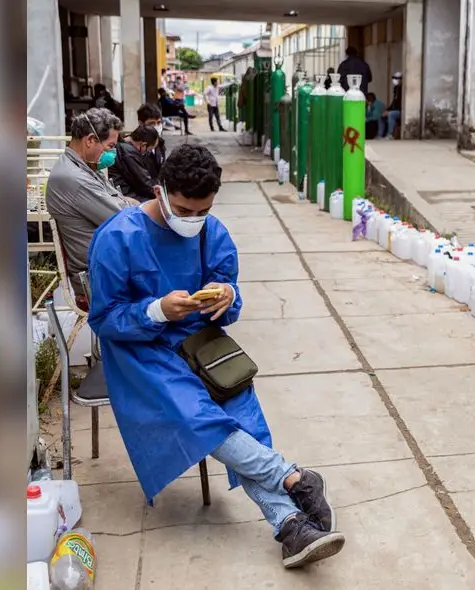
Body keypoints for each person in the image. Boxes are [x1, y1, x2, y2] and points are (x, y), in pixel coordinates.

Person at [86, 144, 346, 568]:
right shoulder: (118, 237)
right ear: (160, 192)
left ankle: (290, 524)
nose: (193, 221)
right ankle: (293, 479)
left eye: (202, 211)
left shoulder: (212, 231)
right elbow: (104, 318)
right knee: (198, 418)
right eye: (185, 210)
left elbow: (231, 296)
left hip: (200, 341)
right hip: (140, 350)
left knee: (244, 414)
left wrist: (227, 295)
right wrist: (155, 310)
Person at [45, 107, 135, 303]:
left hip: (109, 267)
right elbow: (125, 218)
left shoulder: (83, 168)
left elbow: (123, 204)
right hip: (100, 278)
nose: (113, 152)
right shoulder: (73, 178)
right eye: (110, 146)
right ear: (90, 140)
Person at [109, 125, 160, 202]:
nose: (147, 153)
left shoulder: (123, 145)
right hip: (128, 196)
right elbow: (146, 184)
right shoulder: (129, 153)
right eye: (148, 150)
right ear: (143, 145)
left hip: (124, 193)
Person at [137, 103, 167, 180]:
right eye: (151, 123)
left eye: (159, 122)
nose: (156, 127)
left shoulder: (160, 144)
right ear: (141, 123)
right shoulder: (136, 147)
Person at [382, 72, 402, 139]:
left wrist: (389, 112)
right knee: (382, 115)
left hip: (402, 111)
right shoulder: (396, 88)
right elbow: (394, 102)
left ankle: (390, 134)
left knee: (391, 114)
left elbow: (401, 104)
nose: (395, 80)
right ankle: (380, 134)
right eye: (394, 78)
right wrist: (387, 110)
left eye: (397, 78)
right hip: (396, 110)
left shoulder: (403, 89)